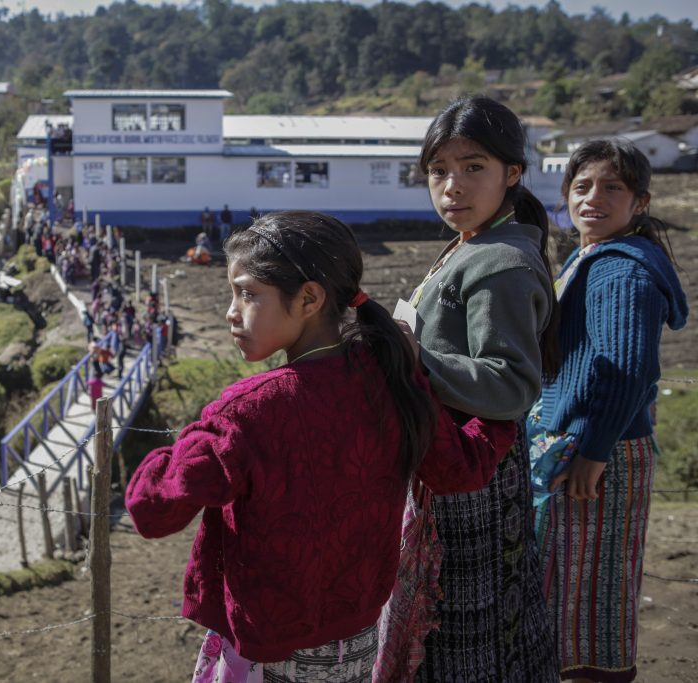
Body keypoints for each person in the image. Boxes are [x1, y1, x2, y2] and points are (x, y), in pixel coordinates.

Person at [126, 211, 517, 682]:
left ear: (309, 297)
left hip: (269, 656)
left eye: (248, 294)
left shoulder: (249, 411)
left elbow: (151, 510)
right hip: (356, 645)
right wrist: (505, 413)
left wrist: (198, 434)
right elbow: (460, 469)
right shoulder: (390, 379)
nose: (231, 311)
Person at [387, 96, 559, 682]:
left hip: (472, 475)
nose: (452, 186)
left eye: (473, 167)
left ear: (513, 173)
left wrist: (414, 358)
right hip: (458, 461)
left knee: (469, 642)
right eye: (439, 171)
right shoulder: (472, 243)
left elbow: (512, 384)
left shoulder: (499, 262)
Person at [535, 139, 688, 683]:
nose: (593, 198)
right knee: (574, 595)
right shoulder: (590, 257)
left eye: (612, 187)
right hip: (587, 447)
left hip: (603, 455)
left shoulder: (621, 271)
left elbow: (627, 370)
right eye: (582, 187)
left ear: (639, 203)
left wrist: (593, 453)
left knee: (593, 604)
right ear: (565, 197)